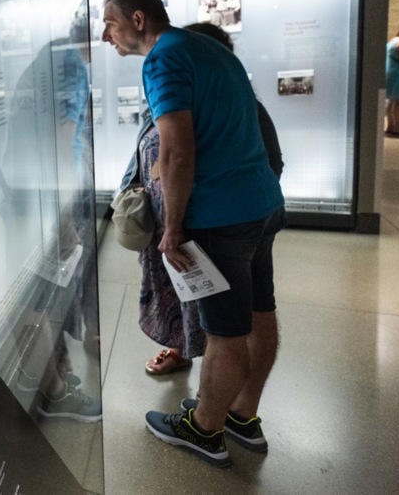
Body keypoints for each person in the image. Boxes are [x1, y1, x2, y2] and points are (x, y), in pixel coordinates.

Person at [102, 0, 286, 468]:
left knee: (225, 333)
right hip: (262, 205)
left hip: (220, 218)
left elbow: (177, 152)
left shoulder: (162, 58)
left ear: (138, 20)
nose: (105, 36)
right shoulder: (211, 50)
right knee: (260, 312)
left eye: (110, 24)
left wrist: (173, 227)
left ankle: (204, 430)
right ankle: (241, 414)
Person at [122, 21, 285, 377]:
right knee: (182, 294)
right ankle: (182, 348)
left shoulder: (241, 105)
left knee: (224, 319)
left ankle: (215, 395)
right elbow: (145, 150)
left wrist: (242, 208)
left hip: (210, 222)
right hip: (173, 226)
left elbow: (271, 161)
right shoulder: (171, 98)